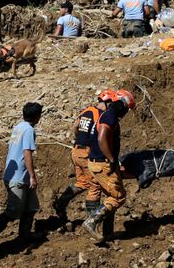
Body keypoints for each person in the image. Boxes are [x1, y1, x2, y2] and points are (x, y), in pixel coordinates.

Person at [0, 102, 42, 254]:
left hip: (16, 175)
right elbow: (27, 153)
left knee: (31, 207)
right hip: (19, 178)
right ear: (37, 116)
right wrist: (32, 175)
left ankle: (24, 236)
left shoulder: (19, 127)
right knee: (13, 211)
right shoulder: (29, 130)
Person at [53, 90, 118, 221]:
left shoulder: (87, 111)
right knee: (95, 186)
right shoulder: (101, 115)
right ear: (108, 102)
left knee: (83, 182)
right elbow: (100, 135)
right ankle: (91, 221)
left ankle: (61, 202)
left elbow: (75, 126)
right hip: (86, 153)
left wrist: (79, 138)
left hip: (76, 151)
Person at [82, 89, 135, 243]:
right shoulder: (110, 117)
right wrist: (111, 159)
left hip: (95, 162)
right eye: (126, 108)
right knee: (118, 197)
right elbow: (102, 138)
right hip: (102, 164)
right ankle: (91, 222)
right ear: (120, 104)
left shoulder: (106, 115)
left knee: (108, 197)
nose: (126, 112)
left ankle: (107, 233)